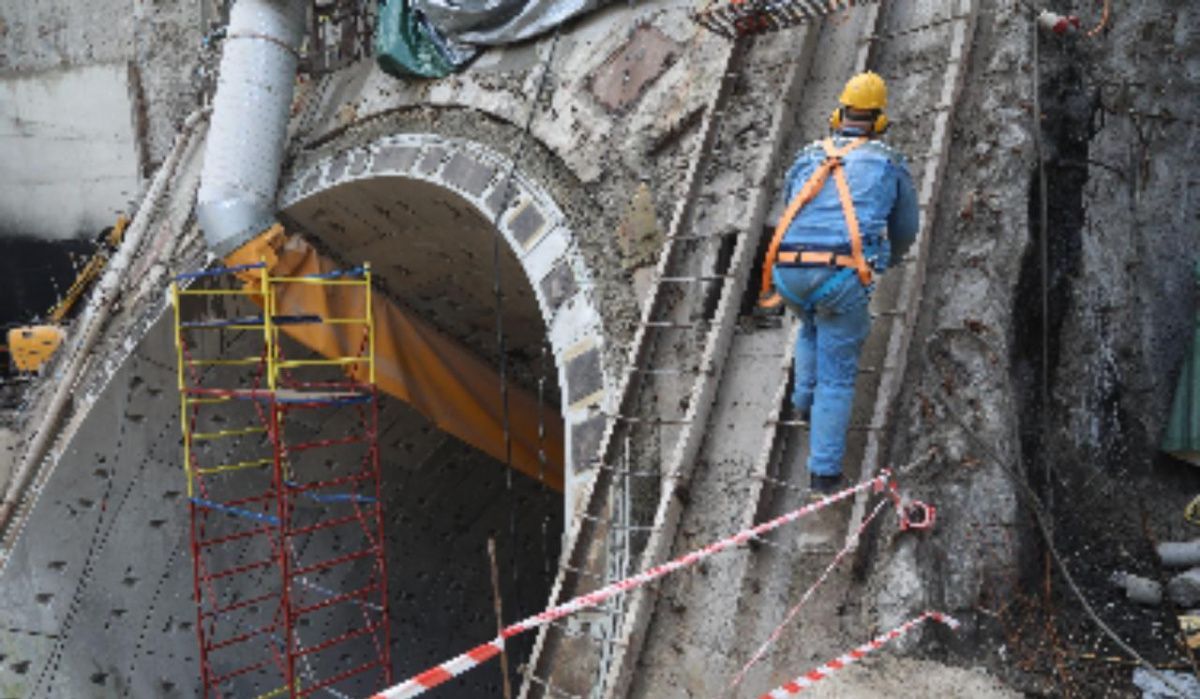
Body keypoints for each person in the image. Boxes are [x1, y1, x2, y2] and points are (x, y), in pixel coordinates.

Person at [758, 71, 919, 495]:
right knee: (839, 375)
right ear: (879, 119)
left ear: (839, 113)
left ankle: (801, 403)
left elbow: (790, 207)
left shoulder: (808, 156)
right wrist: (892, 259)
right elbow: (905, 228)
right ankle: (824, 473)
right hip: (839, 275)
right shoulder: (889, 161)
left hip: (788, 270)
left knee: (811, 323)